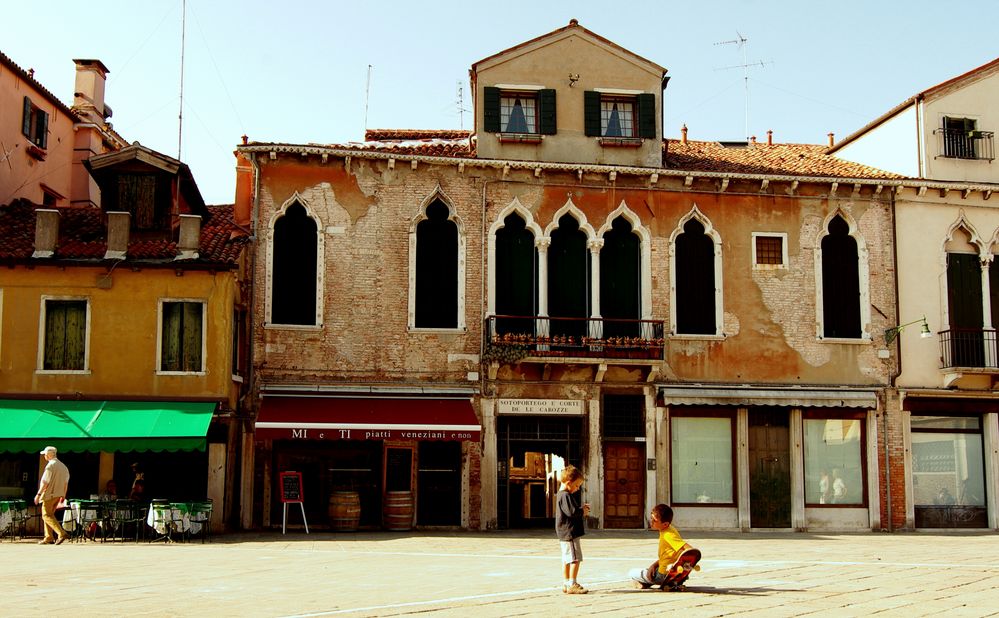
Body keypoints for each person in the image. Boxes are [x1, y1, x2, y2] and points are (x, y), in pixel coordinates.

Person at [629, 504, 694, 588]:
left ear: (665, 524)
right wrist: (654, 565)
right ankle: (648, 582)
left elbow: (690, 549)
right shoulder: (669, 529)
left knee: (632, 572)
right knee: (650, 571)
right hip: (667, 571)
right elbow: (667, 556)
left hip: (662, 575)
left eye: (655, 520)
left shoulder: (668, 535)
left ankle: (649, 582)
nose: (651, 521)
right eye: (651, 518)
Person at [555, 465, 590, 594]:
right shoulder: (566, 495)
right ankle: (572, 583)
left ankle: (566, 582)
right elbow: (571, 512)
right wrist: (583, 510)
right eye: (576, 485)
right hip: (570, 532)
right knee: (575, 558)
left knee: (566, 558)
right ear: (569, 483)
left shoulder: (561, 495)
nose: (577, 488)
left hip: (564, 532)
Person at [34, 446, 70, 545]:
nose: (44, 456)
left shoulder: (50, 466)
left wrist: (38, 494)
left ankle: (61, 533)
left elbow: (45, 482)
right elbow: (65, 483)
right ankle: (49, 537)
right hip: (58, 495)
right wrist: (63, 495)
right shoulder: (64, 467)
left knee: (46, 515)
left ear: (49, 455)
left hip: (49, 494)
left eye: (45, 454)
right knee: (50, 515)